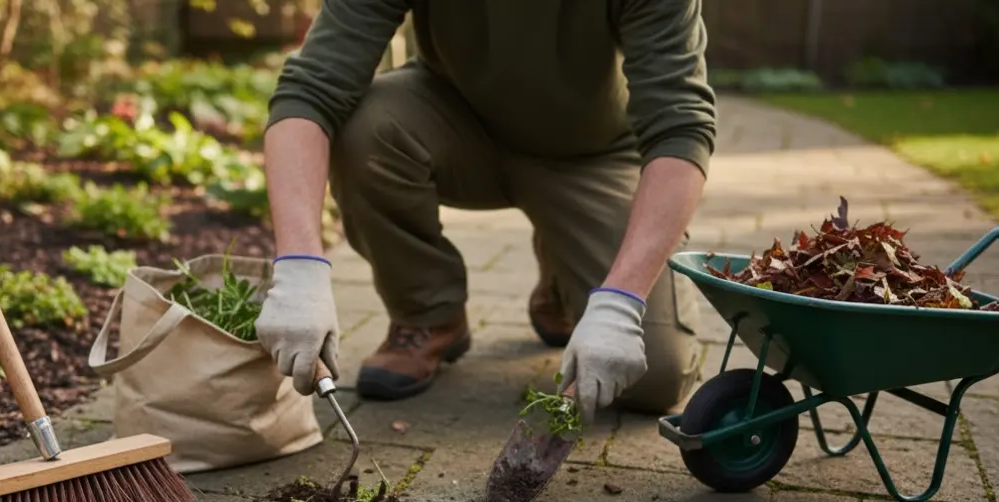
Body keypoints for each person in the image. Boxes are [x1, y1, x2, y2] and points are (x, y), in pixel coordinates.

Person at [253, 0, 715, 427]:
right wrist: (299, 268)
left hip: (590, 155)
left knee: (653, 377)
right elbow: (310, 92)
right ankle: (427, 311)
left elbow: (681, 128)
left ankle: (564, 274)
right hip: (456, 122)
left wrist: (621, 300)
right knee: (364, 131)